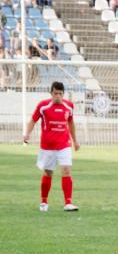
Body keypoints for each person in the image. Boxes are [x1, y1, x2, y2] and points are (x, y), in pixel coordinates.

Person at [23, 81, 80, 212]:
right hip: (48, 146)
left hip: (64, 144)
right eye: (55, 94)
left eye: (60, 94)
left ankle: (68, 203)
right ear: (51, 93)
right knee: (48, 173)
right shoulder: (43, 106)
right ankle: (44, 201)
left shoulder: (69, 106)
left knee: (66, 170)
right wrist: (27, 134)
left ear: (63, 94)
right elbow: (33, 120)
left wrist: (75, 141)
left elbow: (71, 123)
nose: (58, 96)